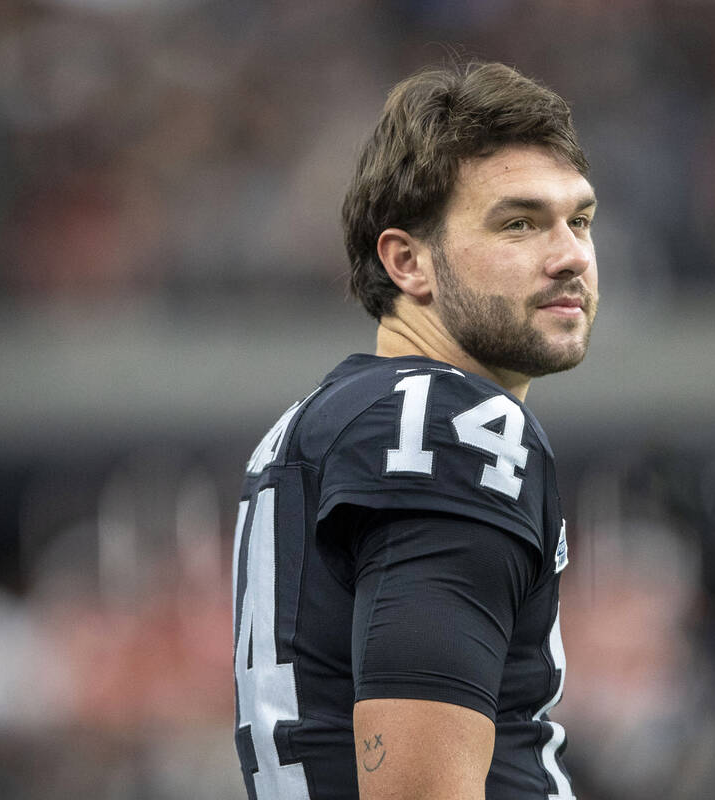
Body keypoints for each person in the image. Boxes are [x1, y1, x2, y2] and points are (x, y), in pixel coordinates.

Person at [231, 61, 597, 800]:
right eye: (519, 223)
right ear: (406, 261)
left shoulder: (336, 417)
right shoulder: (448, 427)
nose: (570, 256)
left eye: (579, 220)